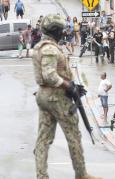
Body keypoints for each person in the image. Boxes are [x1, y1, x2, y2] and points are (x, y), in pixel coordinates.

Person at [32, 14, 101, 179]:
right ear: (55, 31)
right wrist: (67, 85)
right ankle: (81, 173)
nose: (63, 32)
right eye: (61, 30)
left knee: (43, 138)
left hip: (44, 95)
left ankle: (41, 176)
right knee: (73, 135)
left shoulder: (40, 46)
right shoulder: (49, 49)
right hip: (57, 97)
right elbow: (49, 75)